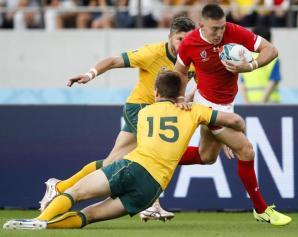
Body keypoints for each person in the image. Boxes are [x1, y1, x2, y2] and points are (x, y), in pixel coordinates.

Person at [3, 71, 247, 230]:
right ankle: (47, 227)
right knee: (90, 215)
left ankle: (39, 221)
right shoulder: (193, 111)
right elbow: (235, 120)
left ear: (156, 93)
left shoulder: (144, 112)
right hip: (151, 190)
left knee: (77, 192)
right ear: (179, 95)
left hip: (134, 166)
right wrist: (226, 136)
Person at [38, 16, 196, 221]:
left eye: (188, 39)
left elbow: (203, 80)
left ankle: (59, 186)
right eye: (180, 39)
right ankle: (151, 205)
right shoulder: (152, 53)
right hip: (140, 108)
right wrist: (90, 74)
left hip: (159, 112)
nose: (183, 44)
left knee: (112, 162)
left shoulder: (193, 57)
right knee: (152, 150)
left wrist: (192, 96)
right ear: (170, 37)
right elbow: (113, 61)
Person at [174, 4, 291, 225]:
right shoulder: (189, 43)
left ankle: (158, 157)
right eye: (214, 29)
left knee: (206, 156)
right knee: (246, 150)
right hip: (206, 106)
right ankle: (261, 209)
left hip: (227, 105)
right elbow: (179, 72)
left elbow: (271, 50)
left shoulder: (234, 32)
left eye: (221, 27)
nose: (219, 33)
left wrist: (251, 65)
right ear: (201, 25)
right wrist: (180, 98)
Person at [240, 25, 281, 104]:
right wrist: (261, 103)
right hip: (270, 103)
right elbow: (273, 81)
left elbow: (243, 83)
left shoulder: (245, 57)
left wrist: (246, 103)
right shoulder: (273, 58)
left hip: (250, 104)